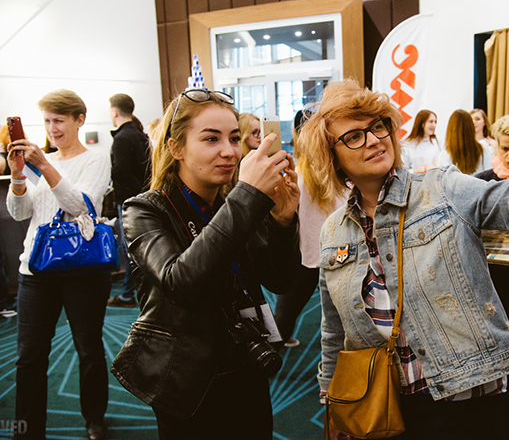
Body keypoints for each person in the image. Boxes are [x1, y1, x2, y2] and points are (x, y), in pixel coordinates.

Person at [298, 79, 509, 440]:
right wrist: (334, 402)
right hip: (382, 404)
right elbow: (334, 331)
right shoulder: (334, 232)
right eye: (353, 136)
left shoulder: (442, 189)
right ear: (331, 156)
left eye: (378, 126)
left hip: (461, 398)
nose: (374, 139)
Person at [110, 88, 301, 440]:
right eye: (211, 139)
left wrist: (282, 221)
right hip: (188, 377)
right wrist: (246, 196)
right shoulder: (145, 209)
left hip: (246, 361)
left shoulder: (233, 203)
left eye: (234, 138)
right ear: (176, 148)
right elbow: (180, 283)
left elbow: (279, 280)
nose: (229, 151)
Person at [6, 89, 112, 440]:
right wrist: (18, 175)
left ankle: (94, 417)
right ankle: (27, 429)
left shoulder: (95, 160)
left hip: (82, 268)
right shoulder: (39, 163)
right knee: (29, 356)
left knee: (88, 348)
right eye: (47, 121)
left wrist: (45, 166)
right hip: (35, 269)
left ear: (79, 120)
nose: (52, 128)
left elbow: (81, 207)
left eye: (59, 120)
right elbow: (20, 213)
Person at [273, 109, 345, 349]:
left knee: (286, 311)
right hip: (337, 252)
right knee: (342, 318)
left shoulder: (295, 172)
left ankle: (274, 349)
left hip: (305, 252)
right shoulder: (336, 169)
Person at [106, 93, 152, 308]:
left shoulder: (122, 138)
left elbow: (121, 172)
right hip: (142, 196)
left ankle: (127, 295)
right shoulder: (140, 134)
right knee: (138, 249)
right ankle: (133, 293)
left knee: (130, 251)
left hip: (126, 199)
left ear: (115, 111)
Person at [435, 109, 494, 175]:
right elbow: (489, 174)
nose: (474, 122)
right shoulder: (483, 148)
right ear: (470, 126)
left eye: (477, 119)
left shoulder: (444, 155)